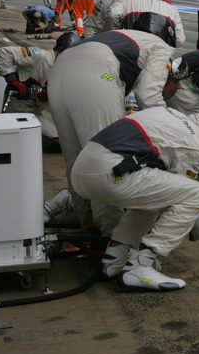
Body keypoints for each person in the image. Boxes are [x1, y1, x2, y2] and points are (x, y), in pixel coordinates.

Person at [71, 99, 199, 291]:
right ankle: (140, 267)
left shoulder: (171, 113)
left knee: (155, 193)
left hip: (83, 170)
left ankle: (114, 259)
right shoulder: (196, 145)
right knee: (198, 194)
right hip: (109, 173)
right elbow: (182, 197)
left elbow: (164, 191)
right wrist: (195, 221)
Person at [48, 28, 178, 231]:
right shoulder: (161, 47)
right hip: (100, 76)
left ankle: (86, 220)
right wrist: (169, 127)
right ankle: (111, 235)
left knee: (76, 158)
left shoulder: (122, 37)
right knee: (107, 160)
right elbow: (148, 94)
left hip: (58, 74)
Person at [0, 32, 83, 149]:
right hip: (17, 110)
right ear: (61, 50)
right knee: (54, 142)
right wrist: (13, 81)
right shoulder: (40, 56)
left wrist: (45, 95)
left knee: (62, 140)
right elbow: (4, 52)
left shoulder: (61, 68)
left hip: (34, 112)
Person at [108, 0, 186, 46]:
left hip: (131, 46)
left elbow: (112, 15)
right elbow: (180, 40)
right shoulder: (171, 9)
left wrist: (118, 34)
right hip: (160, 49)